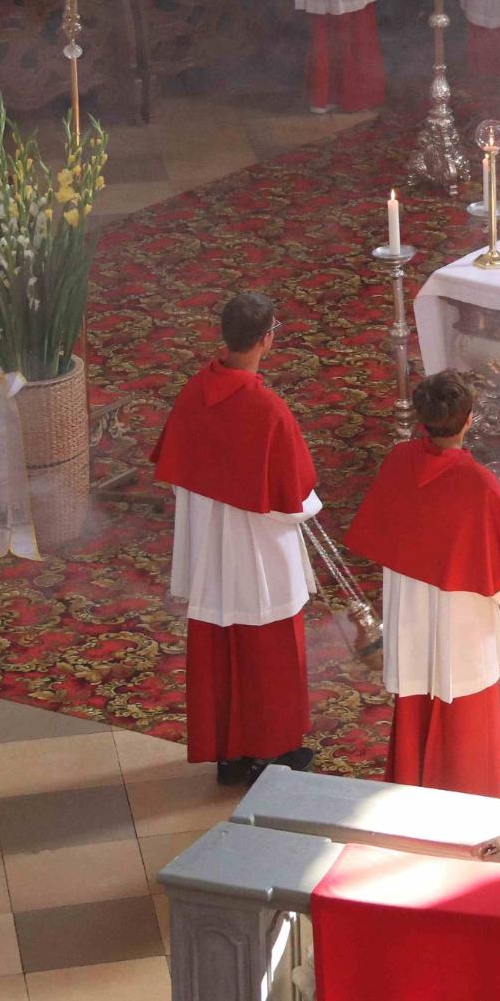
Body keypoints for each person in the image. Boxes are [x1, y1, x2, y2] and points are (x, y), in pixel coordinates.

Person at [151, 293, 321, 785]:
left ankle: (229, 753)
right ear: (267, 338)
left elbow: (181, 469)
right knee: (270, 647)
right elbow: (294, 498)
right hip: (259, 548)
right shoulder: (267, 409)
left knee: (221, 643)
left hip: (209, 543)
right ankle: (273, 750)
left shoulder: (194, 392)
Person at [345, 371, 500, 796]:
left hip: (409, 603)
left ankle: (411, 786)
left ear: (421, 420)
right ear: (468, 420)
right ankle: (470, 797)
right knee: (465, 707)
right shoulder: (479, 484)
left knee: (416, 695)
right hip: (460, 610)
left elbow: (379, 531)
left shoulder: (398, 461)